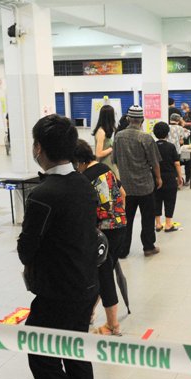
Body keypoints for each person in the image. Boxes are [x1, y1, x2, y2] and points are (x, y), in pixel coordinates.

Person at [18, 114, 98, 379]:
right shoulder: (84, 183)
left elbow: (25, 249)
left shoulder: (42, 195)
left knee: (43, 358)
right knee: (77, 355)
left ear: (39, 148)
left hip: (56, 293)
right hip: (85, 284)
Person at [73, 139, 126, 336]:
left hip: (103, 232)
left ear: (78, 161)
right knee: (101, 272)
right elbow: (122, 193)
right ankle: (89, 313)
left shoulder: (84, 178)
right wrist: (118, 216)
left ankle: (112, 325)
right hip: (120, 226)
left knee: (104, 277)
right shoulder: (105, 168)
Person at [112, 105, 162, 258]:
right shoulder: (146, 138)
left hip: (126, 186)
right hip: (145, 186)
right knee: (147, 218)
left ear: (128, 119)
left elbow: (114, 160)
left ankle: (123, 250)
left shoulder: (118, 137)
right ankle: (148, 247)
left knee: (126, 219)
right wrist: (159, 178)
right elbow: (154, 162)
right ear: (142, 120)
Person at [152, 122, 183, 233]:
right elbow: (177, 163)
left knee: (156, 200)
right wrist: (180, 176)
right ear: (167, 133)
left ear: (154, 133)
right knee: (170, 200)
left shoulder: (152, 146)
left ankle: (158, 224)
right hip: (170, 178)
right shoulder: (171, 147)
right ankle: (169, 224)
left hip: (155, 178)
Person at [92, 104, 117, 176]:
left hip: (109, 164)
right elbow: (98, 154)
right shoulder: (101, 132)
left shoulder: (106, 131)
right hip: (105, 167)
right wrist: (111, 148)